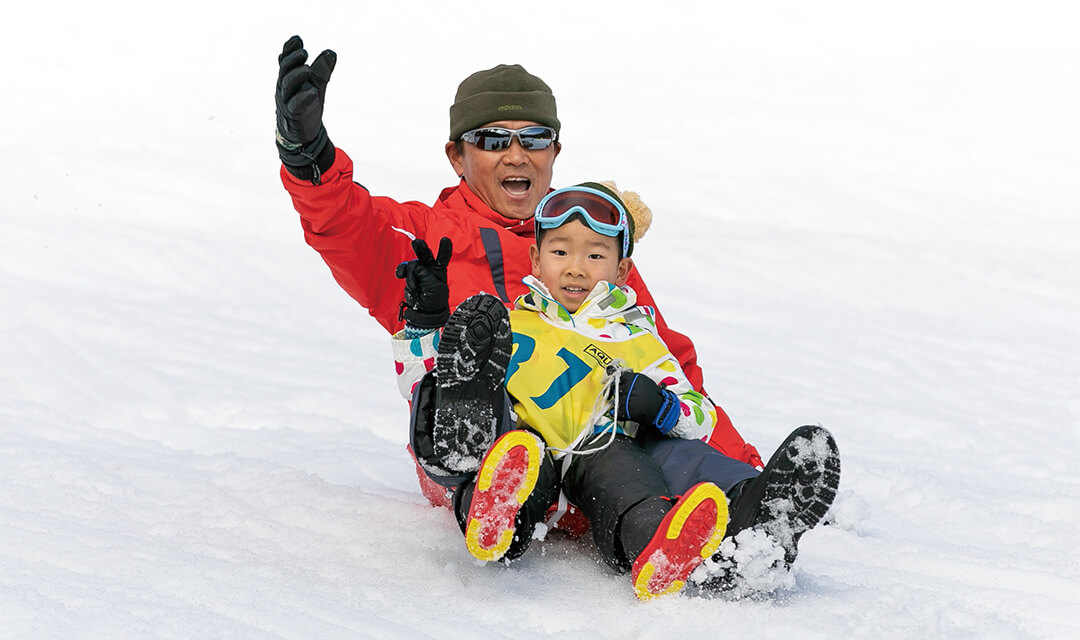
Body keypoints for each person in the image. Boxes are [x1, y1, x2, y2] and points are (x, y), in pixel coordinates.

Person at [272, 36, 763, 474]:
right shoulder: (423, 239)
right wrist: (307, 155)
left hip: (600, 466)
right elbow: (342, 222)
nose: (516, 155)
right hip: (478, 463)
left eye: (534, 139)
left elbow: (665, 360)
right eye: (490, 140)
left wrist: (738, 466)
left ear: (554, 152)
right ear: (456, 157)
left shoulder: (587, 246)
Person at [394, 184, 842, 597]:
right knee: (508, 451)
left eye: (595, 256)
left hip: (598, 444)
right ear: (535, 260)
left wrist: (660, 404)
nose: (575, 267)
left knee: (647, 468)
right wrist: (424, 321)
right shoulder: (509, 323)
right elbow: (421, 382)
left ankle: (715, 530)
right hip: (521, 442)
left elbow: (698, 416)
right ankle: (491, 511)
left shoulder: (636, 337)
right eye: (560, 251)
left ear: (622, 268)